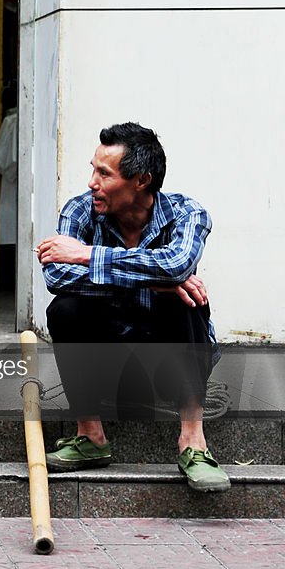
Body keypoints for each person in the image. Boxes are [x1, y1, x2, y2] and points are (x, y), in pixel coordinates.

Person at [37, 122, 229, 492]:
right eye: (93, 169)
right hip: (107, 364)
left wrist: (89, 256)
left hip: (167, 366)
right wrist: (156, 277)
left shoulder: (188, 213)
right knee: (65, 308)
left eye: (104, 173)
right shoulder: (80, 210)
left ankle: (194, 443)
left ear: (141, 180)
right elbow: (57, 277)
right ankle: (90, 438)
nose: (92, 181)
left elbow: (177, 263)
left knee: (185, 299)